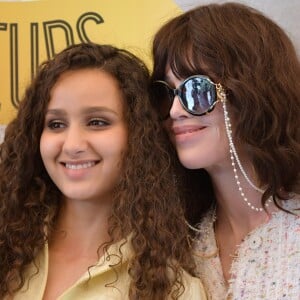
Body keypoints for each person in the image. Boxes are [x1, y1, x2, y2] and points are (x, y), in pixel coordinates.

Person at [0, 43, 207, 299]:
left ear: (140, 136)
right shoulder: (7, 247)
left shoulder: (174, 290)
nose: (73, 144)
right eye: (56, 124)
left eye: (97, 122)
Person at [150, 2, 300, 299]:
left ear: (254, 93)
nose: (176, 110)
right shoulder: (172, 242)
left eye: (197, 89)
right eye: (166, 94)